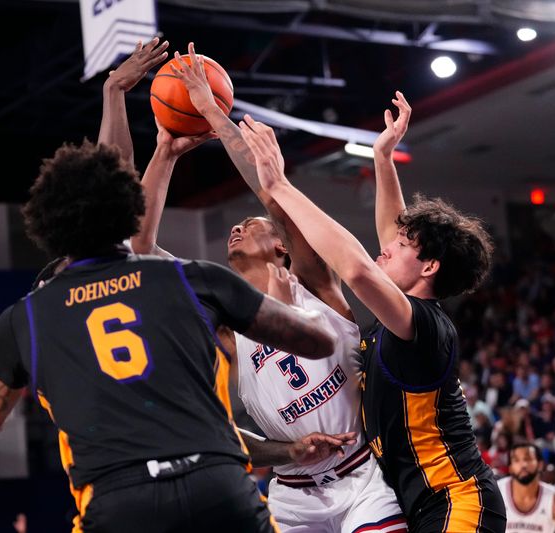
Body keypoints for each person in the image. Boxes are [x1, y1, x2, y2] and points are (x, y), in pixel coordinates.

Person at [0, 120, 337, 533]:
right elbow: (320, 341)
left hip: (117, 500)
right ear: (129, 210)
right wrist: (302, 304)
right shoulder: (188, 277)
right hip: (216, 484)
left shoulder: (27, 316)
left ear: (47, 224)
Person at [135, 43, 405, 533]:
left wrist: (216, 118)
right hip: (290, 490)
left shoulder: (316, 283)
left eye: (250, 224)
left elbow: (272, 193)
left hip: (361, 476)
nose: (237, 229)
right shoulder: (222, 306)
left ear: (281, 247)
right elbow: (140, 245)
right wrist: (163, 153)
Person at [237, 94, 506, 531]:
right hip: (418, 502)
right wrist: (383, 157)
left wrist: (281, 185)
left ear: (429, 267)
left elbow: (359, 269)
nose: (388, 247)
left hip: (458, 497)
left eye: (401, 247)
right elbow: (391, 231)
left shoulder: (424, 325)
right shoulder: (406, 310)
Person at [498, 442, 555, 533]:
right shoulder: (496, 493)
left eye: (528, 459)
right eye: (517, 460)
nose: (523, 465)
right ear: (510, 468)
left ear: (540, 465)